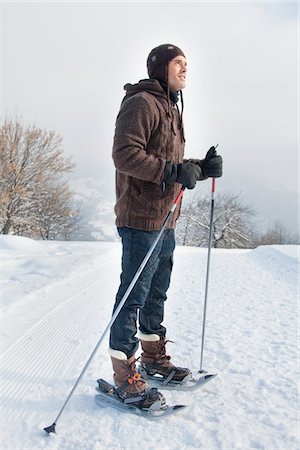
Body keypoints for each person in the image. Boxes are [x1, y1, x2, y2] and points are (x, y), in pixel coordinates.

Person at [108, 44, 223, 408]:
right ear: (160, 69)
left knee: (156, 294)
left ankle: (153, 357)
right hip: (141, 218)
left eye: (187, 64)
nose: (185, 69)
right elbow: (125, 154)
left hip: (165, 218)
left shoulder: (170, 106)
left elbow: (165, 161)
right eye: (179, 63)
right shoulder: (142, 102)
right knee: (133, 296)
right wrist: (173, 171)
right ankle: (125, 374)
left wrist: (198, 168)